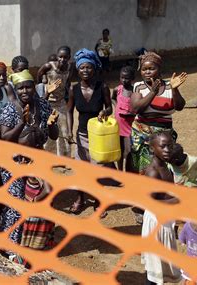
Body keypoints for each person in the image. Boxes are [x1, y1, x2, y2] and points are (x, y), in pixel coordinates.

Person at [0, 69, 59, 249]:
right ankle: (11, 246)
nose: (25, 91)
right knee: (15, 206)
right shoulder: (10, 109)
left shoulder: (44, 106)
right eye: (21, 88)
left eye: (28, 87)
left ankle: (36, 241)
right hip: (14, 163)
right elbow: (5, 138)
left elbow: (53, 136)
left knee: (45, 200)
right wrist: (22, 123)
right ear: (15, 90)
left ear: (35, 87)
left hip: (38, 160)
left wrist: (52, 125)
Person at [66, 48, 112, 213]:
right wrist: (69, 131)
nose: (85, 71)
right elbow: (69, 111)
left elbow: (109, 108)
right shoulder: (74, 89)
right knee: (81, 169)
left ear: (95, 68)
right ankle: (80, 198)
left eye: (88, 67)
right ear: (78, 70)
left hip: (98, 135)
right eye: (82, 68)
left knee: (97, 169)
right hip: (82, 134)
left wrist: (104, 112)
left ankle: (99, 200)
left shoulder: (103, 87)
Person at [130, 52, 187, 173]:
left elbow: (180, 106)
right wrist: (152, 93)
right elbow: (135, 108)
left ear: (159, 69)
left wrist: (174, 89)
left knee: (164, 166)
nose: (147, 72)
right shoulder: (139, 86)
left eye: (151, 68)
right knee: (144, 167)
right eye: (144, 69)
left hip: (164, 136)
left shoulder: (169, 85)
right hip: (142, 134)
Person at [141, 131, 181, 285]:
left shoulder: (166, 166)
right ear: (152, 149)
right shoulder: (152, 173)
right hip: (155, 225)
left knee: (161, 267)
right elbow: (152, 205)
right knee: (155, 270)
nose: (167, 150)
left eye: (170, 146)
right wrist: (178, 200)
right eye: (163, 146)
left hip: (165, 220)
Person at [37, 46, 73, 157]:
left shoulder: (70, 68)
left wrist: (67, 91)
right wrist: (45, 87)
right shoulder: (49, 66)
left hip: (61, 103)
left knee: (63, 131)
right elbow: (39, 75)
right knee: (49, 129)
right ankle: (48, 155)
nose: (62, 59)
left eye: (65, 57)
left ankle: (62, 157)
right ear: (57, 57)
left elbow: (68, 82)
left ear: (69, 57)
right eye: (60, 57)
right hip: (48, 103)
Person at [111, 65, 136, 171]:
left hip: (130, 124)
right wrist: (116, 106)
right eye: (122, 77)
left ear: (132, 79)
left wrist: (132, 113)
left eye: (127, 78)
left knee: (129, 150)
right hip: (119, 123)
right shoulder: (118, 89)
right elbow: (113, 98)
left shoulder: (134, 91)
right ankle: (120, 170)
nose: (124, 80)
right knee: (119, 150)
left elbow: (138, 105)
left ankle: (128, 171)